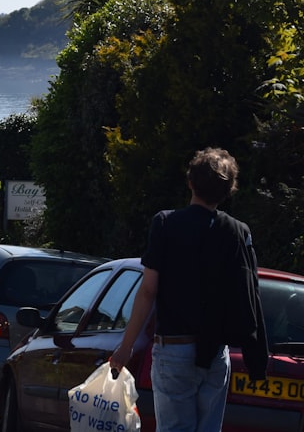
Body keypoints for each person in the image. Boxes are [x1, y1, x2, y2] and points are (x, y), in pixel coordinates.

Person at [109, 147, 268, 432]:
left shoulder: (166, 224)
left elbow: (148, 291)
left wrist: (126, 346)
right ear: (228, 190)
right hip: (216, 352)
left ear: (190, 182)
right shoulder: (237, 231)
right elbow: (249, 293)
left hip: (175, 350)